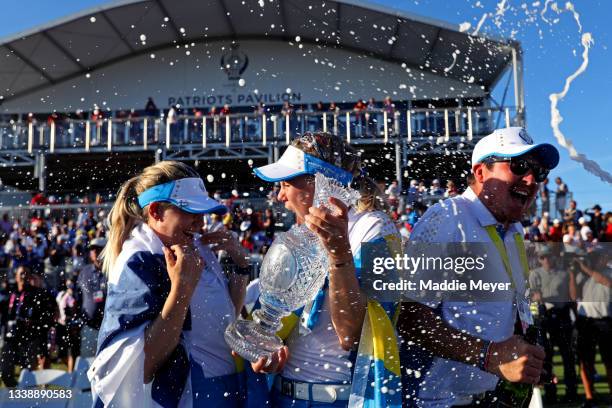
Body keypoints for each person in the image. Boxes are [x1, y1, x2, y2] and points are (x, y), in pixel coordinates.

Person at [398, 127, 557, 407]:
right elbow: (409, 316)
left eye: (539, 172)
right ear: (481, 173)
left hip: (490, 397)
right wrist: (489, 355)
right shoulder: (446, 219)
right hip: (435, 400)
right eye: (519, 166)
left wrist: (525, 355)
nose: (532, 180)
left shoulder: (515, 230)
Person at [250, 132, 403, 407]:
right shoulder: (300, 231)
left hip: (338, 399)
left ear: (321, 183)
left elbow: (351, 335)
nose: (280, 196)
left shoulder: (374, 228)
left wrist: (339, 253)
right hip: (284, 397)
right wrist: (267, 349)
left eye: (285, 184)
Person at [88, 161, 249, 407]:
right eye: (190, 211)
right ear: (155, 212)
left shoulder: (194, 247)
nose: (201, 223)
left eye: (202, 212)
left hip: (222, 387)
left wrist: (240, 268)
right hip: (184, 395)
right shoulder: (139, 260)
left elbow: (224, 322)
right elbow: (142, 365)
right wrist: (181, 290)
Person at [529, 246, 577, 403]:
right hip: (544, 318)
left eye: (548, 256)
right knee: (546, 359)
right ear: (539, 259)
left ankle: (571, 393)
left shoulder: (564, 274)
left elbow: (572, 298)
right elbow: (531, 295)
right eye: (543, 257)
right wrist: (536, 297)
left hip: (562, 319)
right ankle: (550, 394)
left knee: (568, 358)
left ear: (553, 257)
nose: (546, 260)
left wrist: (575, 321)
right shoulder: (534, 274)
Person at [0, 266, 57, 386]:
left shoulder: (37, 294)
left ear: (30, 277)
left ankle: (26, 399)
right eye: (21, 273)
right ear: (15, 277)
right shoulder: (11, 293)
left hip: (28, 339)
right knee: (5, 373)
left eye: (26, 273)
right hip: (10, 338)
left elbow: (49, 313)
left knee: (27, 376)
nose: (23, 276)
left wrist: (33, 323)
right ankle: (13, 393)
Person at [572, 247, 612, 407]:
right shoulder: (583, 274)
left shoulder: (609, 271)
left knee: (609, 362)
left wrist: (584, 268)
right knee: (585, 362)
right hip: (585, 322)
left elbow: (606, 282)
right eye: (594, 257)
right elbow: (573, 296)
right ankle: (590, 398)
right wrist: (572, 274)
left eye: (599, 257)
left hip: (605, 322)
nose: (597, 260)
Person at [76, 237, 107, 358]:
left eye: (98, 249)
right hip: (89, 326)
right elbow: (78, 294)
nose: (94, 252)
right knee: (87, 363)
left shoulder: (113, 269)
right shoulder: (85, 271)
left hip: (108, 327)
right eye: (92, 249)